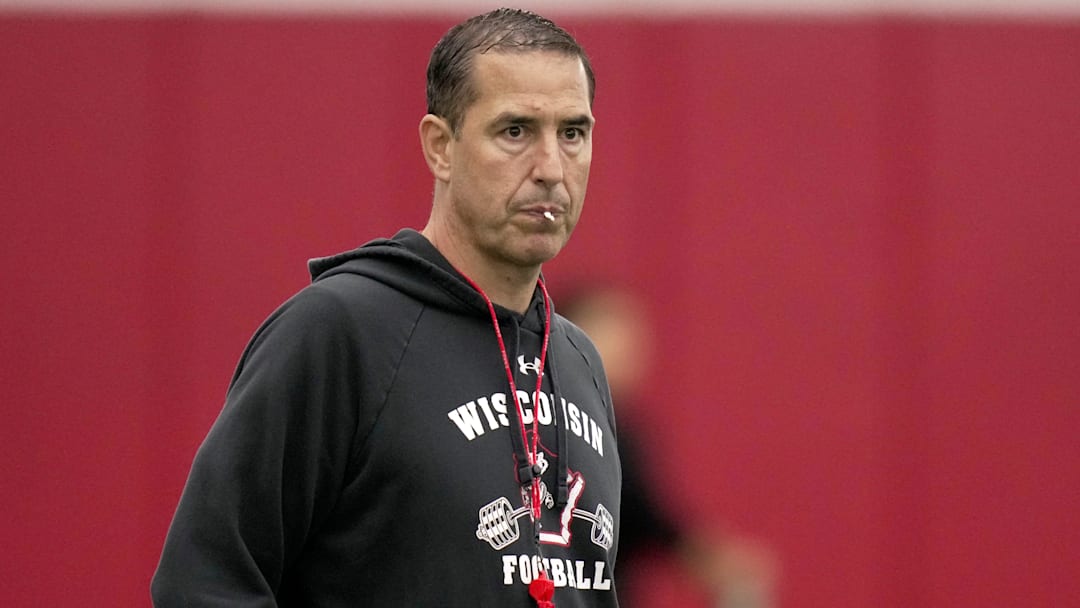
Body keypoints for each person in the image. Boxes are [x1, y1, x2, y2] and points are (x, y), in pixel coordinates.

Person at [151, 9, 620, 608]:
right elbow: (204, 582)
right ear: (440, 147)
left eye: (573, 133)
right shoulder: (340, 333)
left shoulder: (579, 362)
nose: (552, 169)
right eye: (515, 131)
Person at [557, 284, 779, 608]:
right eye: (609, 335)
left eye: (632, 340)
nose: (626, 352)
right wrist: (704, 554)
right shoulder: (544, 422)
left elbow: (646, 515)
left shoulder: (625, 432)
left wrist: (708, 556)